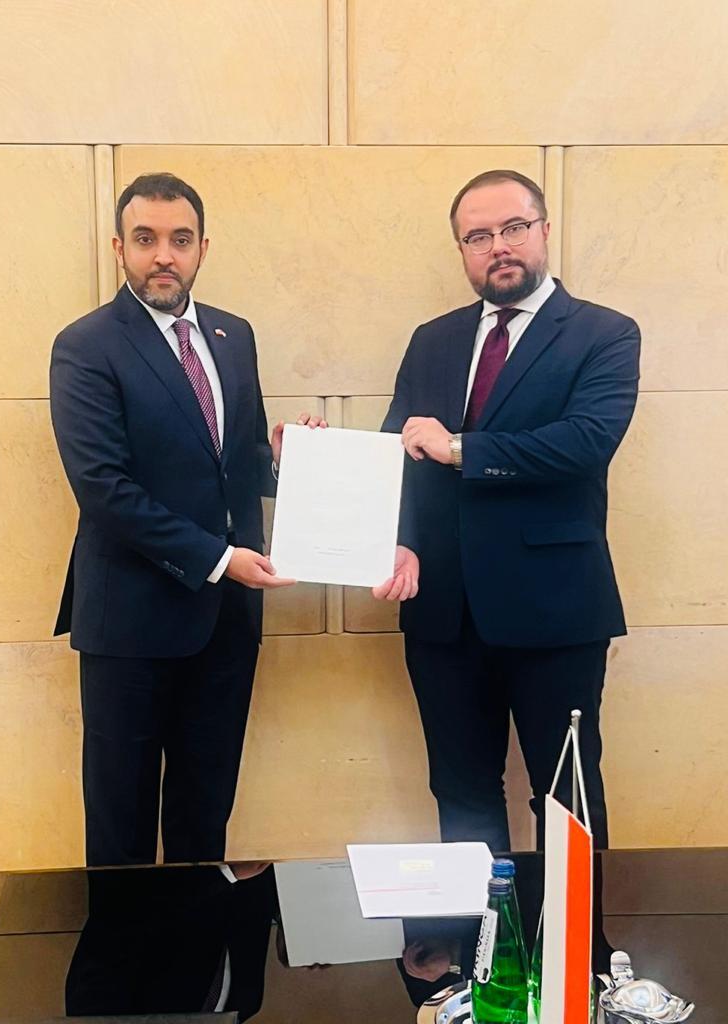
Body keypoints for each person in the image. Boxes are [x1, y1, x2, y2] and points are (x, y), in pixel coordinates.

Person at [50, 172, 321, 866]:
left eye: (180, 239)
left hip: (225, 623)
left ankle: (197, 940)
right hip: (130, 623)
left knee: (205, 816)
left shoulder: (233, 336)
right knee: (122, 824)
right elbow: (104, 488)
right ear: (120, 248)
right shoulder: (86, 346)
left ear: (203, 247)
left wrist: (286, 461)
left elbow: (237, 462)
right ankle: (123, 943)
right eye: (145, 239)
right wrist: (221, 559)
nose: (163, 256)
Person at [378, 169, 640, 851]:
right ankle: (483, 925)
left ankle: (573, 925)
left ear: (544, 231)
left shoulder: (604, 334)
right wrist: (392, 536)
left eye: (514, 228)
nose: (498, 246)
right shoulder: (431, 340)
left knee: (566, 792)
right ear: (462, 250)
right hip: (443, 610)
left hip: (555, 608)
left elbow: (585, 443)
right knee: (460, 790)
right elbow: (395, 457)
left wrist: (460, 448)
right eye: (478, 236)